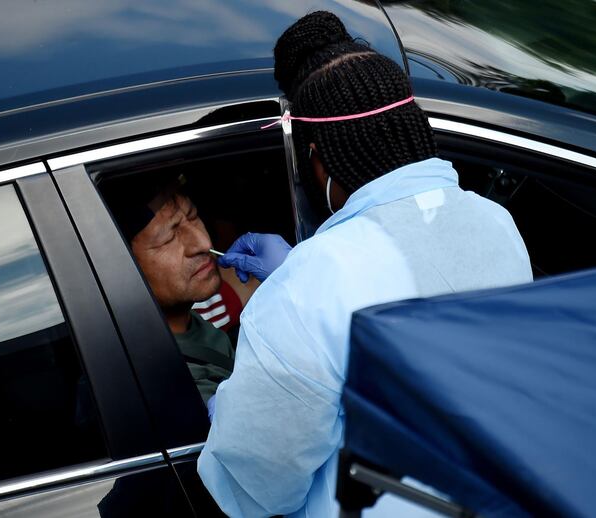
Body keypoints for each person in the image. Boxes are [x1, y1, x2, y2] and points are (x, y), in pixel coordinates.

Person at [197, 11, 534, 518]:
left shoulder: (309, 285)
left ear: (317, 158)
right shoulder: (497, 222)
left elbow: (258, 487)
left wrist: (228, 404)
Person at [113, 178, 236, 403]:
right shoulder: (162, 379)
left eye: (193, 216)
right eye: (168, 238)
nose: (202, 242)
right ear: (126, 267)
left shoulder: (192, 327)